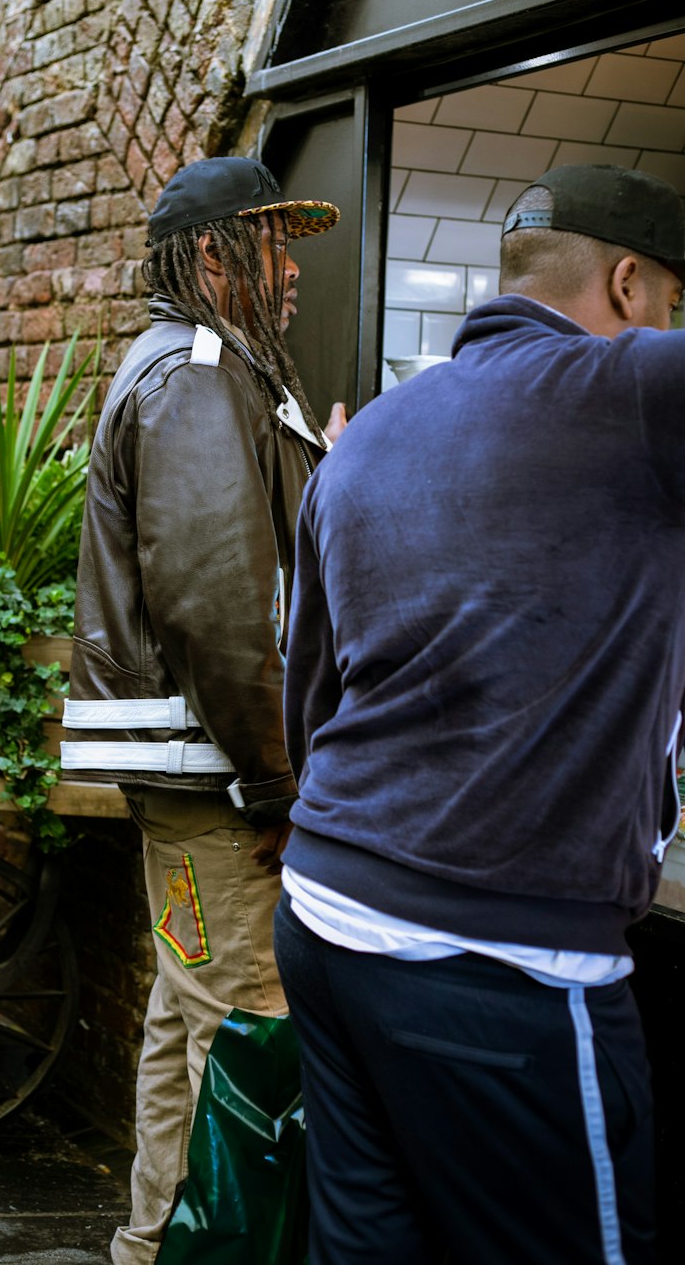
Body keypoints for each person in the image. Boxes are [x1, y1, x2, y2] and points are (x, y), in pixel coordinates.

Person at [275, 163, 685, 1265]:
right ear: (633, 285)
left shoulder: (361, 438)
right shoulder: (635, 387)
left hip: (325, 904)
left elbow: (306, 697)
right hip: (492, 952)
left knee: (372, 1249)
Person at [59, 154, 342, 1264]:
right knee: (243, 1038)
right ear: (214, 255)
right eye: (273, 246)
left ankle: (148, 1247)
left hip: (189, 783)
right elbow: (219, 604)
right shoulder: (197, 373)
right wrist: (276, 786)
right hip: (221, 787)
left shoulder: (194, 369)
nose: (290, 273)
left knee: (190, 1029)